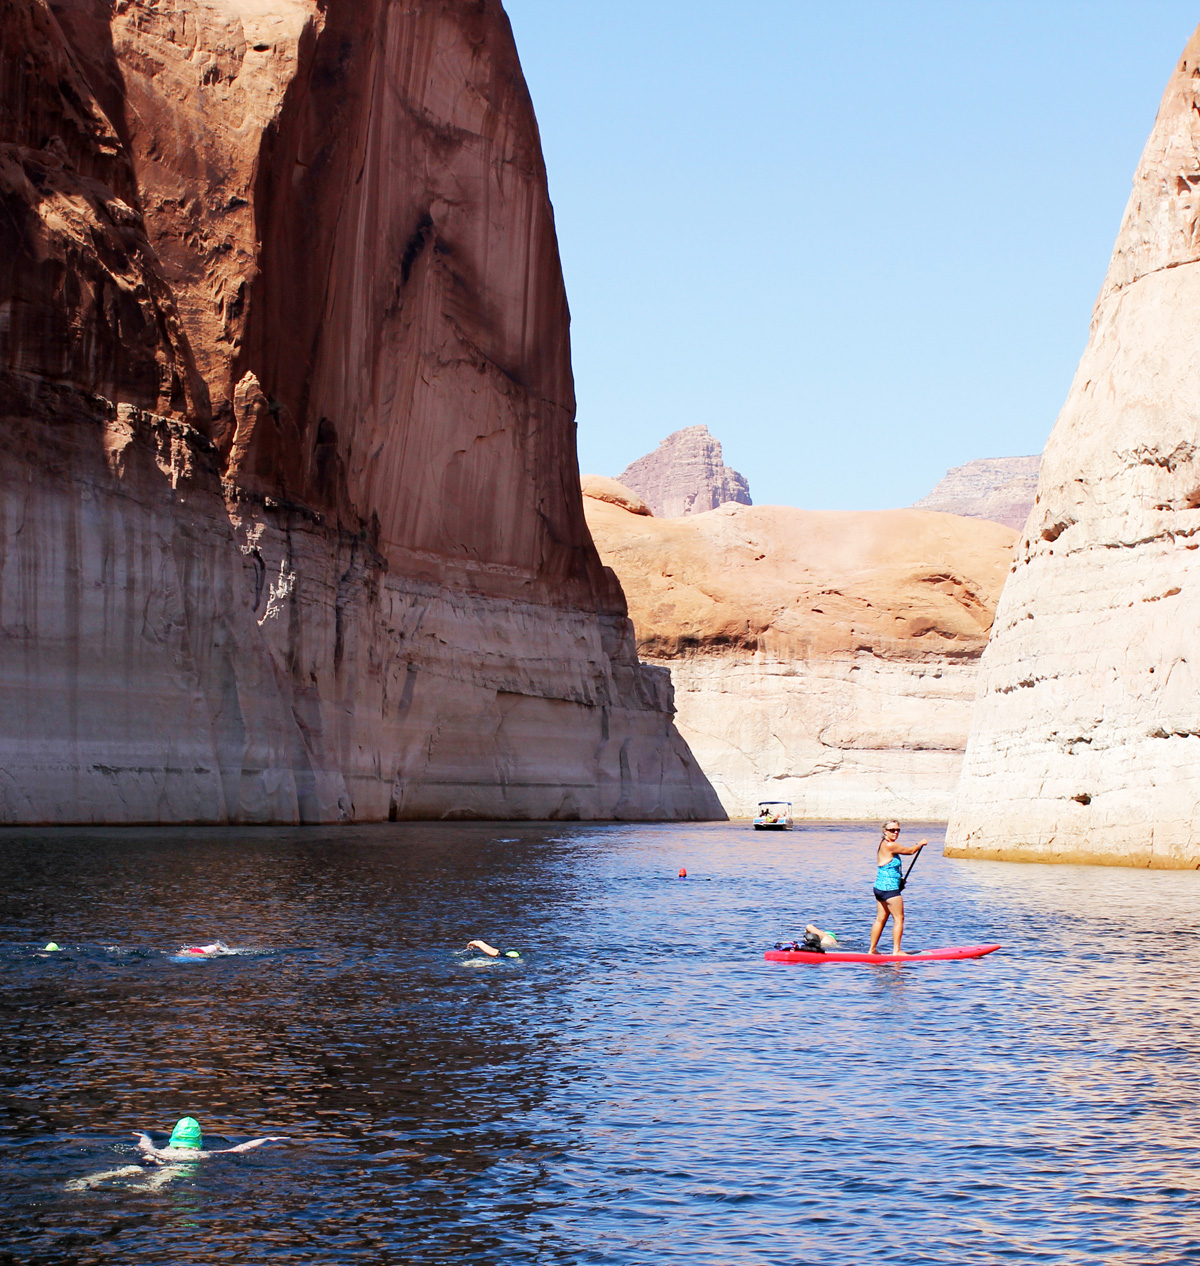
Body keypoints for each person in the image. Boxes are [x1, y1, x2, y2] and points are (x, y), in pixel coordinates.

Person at [65, 1117, 288, 1192]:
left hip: (153, 1158)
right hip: (177, 1165)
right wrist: (267, 1138)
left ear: (173, 1137)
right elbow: (240, 1148)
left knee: (126, 1169)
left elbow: (145, 1147)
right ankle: (147, 1189)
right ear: (198, 1141)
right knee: (165, 1176)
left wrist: (144, 1136)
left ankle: (87, 1180)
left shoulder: (164, 1148)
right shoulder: (201, 1155)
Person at [868, 820, 927, 955]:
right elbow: (910, 851)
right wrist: (920, 843)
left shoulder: (884, 844)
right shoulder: (889, 845)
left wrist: (899, 880)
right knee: (899, 919)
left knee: (880, 918)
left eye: (898, 830)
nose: (895, 832)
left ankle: (872, 950)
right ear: (885, 831)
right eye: (892, 830)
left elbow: (889, 867)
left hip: (879, 887)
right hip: (889, 890)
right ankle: (897, 950)